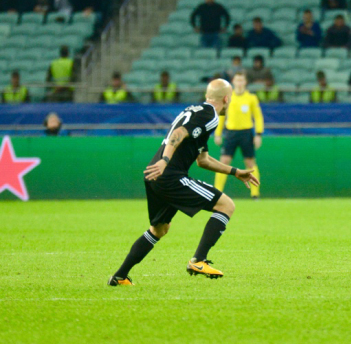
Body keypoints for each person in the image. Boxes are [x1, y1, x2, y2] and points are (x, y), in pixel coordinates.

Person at [108, 79, 259, 285]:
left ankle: (119, 276)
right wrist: (166, 160)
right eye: (230, 98)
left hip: (156, 176)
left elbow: (203, 160)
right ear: (225, 98)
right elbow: (178, 134)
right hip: (169, 174)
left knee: (159, 230)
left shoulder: (196, 111)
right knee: (226, 205)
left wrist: (235, 171)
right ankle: (198, 260)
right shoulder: (210, 115)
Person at [213, 72, 263, 200]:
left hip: (246, 133)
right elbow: (222, 116)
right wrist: (218, 133)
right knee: (223, 162)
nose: (239, 83)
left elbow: (258, 117)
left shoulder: (251, 98)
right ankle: (216, 193)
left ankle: (255, 194)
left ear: (245, 82)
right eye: (237, 80)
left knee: (250, 163)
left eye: (241, 80)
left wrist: (258, 134)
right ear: (233, 82)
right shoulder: (228, 97)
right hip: (231, 133)